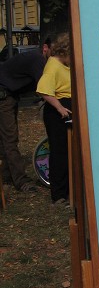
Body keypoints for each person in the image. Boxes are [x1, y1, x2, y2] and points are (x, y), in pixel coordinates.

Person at [0, 37, 52, 192]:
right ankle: (22, 181)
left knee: (4, 138)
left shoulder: (38, 58)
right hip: (4, 96)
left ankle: (6, 176)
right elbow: (45, 89)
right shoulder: (38, 60)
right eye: (55, 51)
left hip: (8, 95)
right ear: (45, 48)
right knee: (10, 138)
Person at [36, 33, 72, 205]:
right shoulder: (53, 65)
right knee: (60, 152)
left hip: (68, 108)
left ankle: (69, 189)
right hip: (58, 113)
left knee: (69, 151)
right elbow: (43, 90)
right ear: (66, 51)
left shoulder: (64, 65)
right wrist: (59, 108)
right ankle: (58, 194)